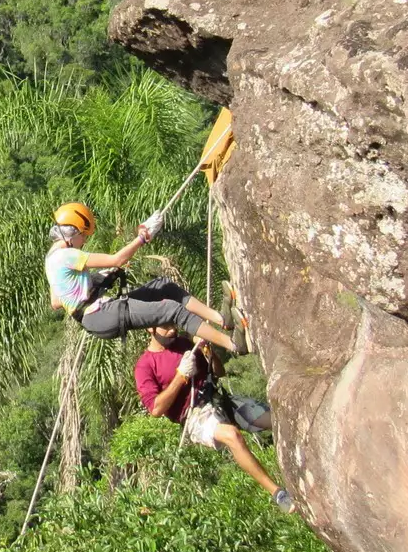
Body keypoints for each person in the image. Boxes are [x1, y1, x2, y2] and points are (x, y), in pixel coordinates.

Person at [43, 201, 241, 351]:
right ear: (72, 233)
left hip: (97, 314)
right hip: (100, 314)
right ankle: (233, 345)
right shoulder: (66, 255)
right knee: (173, 310)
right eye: (84, 236)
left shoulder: (51, 259)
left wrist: (93, 280)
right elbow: (117, 259)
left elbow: (56, 302)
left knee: (164, 286)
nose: (84, 241)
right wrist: (143, 238)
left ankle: (222, 318)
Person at [136, 327, 295, 512]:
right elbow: (155, 409)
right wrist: (181, 376)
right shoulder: (145, 365)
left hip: (218, 399)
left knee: (276, 420)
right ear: (150, 328)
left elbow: (219, 372)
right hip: (194, 416)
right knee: (232, 436)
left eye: (173, 324)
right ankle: (277, 493)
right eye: (166, 326)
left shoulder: (184, 344)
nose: (172, 330)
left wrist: (207, 351)